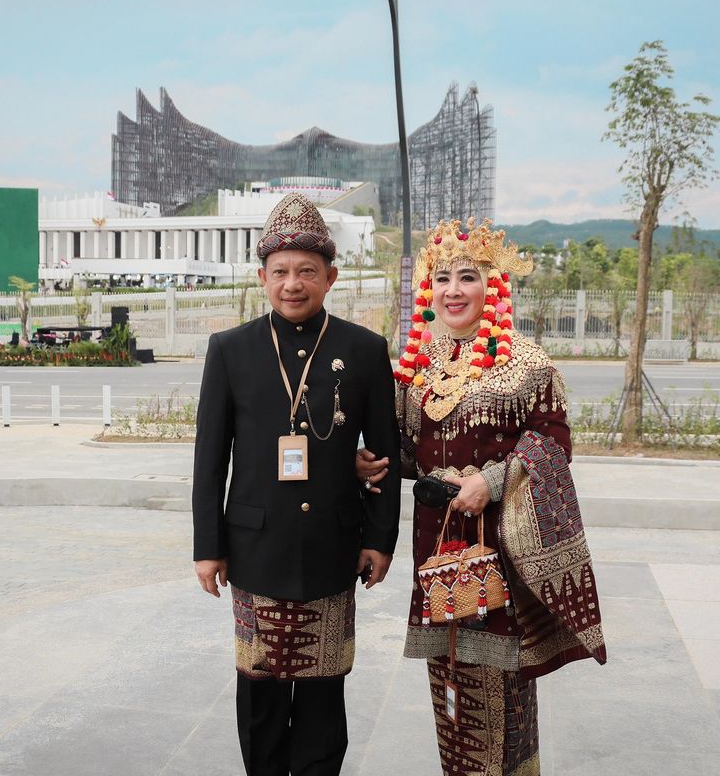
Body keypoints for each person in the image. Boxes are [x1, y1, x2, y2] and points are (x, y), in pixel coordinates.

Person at [358, 218, 607, 775]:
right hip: (437, 549)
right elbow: (403, 452)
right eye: (441, 277)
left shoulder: (527, 363)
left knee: (502, 691)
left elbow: (552, 445)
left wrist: (491, 481)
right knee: (449, 686)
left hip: (500, 547)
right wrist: (362, 461)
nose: (452, 290)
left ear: (491, 285)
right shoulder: (419, 367)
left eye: (466, 277)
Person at [193, 192, 401, 776]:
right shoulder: (229, 351)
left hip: (334, 549)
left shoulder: (363, 350)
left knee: (322, 700)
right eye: (281, 271)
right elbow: (210, 460)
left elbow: (384, 458)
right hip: (255, 550)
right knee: (259, 699)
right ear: (261, 276)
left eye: (307, 271)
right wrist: (208, 547)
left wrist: (380, 539)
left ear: (331, 276)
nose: (293, 284)